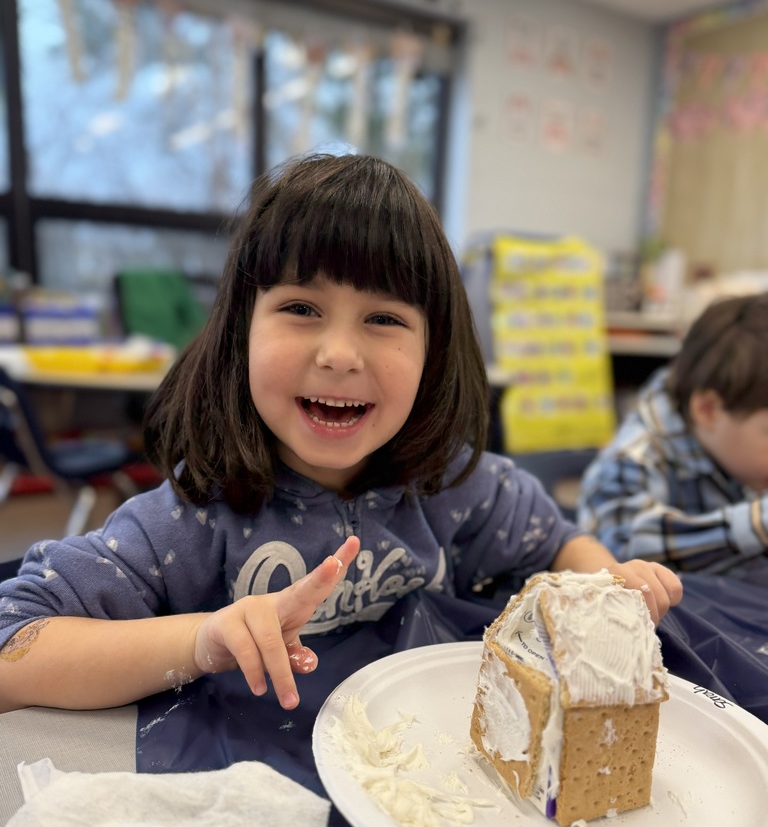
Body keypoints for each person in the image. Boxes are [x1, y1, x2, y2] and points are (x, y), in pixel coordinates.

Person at [0, 153, 681, 714]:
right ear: (240, 334)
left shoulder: (458, 487)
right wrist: (204, 639)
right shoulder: (188, 523)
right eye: (301, 308)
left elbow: (558, 539)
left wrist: (610, 581)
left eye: (383, 319)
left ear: (433, 353)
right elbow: (14, 645)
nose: (339, 354)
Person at [578, 292, 768, 577]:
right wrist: (758, 523)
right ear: (708, 410)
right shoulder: (633, 458)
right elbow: (615, 558)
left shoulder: (737, 449)